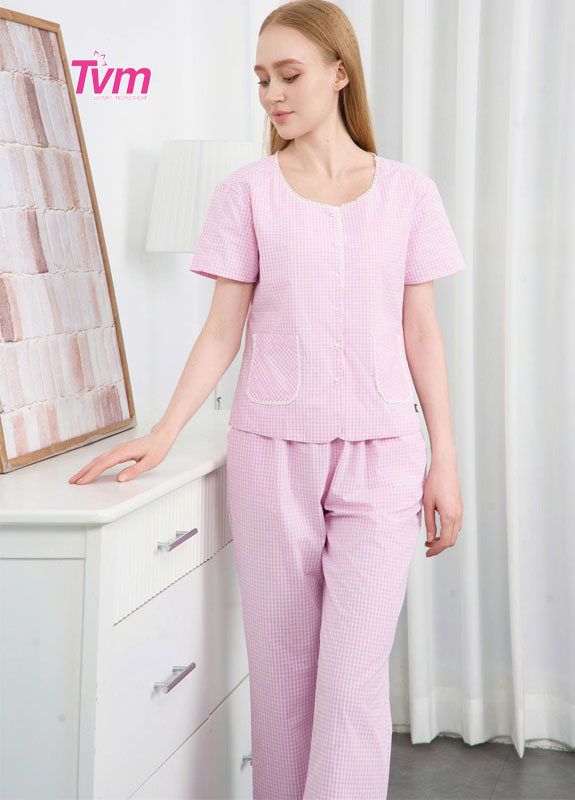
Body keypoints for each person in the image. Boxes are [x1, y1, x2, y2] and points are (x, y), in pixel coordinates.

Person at [69, 1, 466, 797]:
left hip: (385, 454)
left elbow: (422, 333)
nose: (272, 95)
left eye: (289, 75)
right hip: (270, 453)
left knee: (352, 680)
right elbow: (223, 330)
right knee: (282, 676)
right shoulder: (244, 193)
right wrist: (164, 432)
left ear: (340, 75)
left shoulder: (409, 194)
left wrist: (445, 463)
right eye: (261, 79)